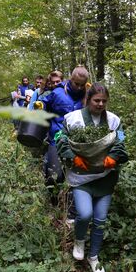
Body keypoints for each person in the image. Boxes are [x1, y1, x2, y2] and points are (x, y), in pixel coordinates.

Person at [56, 83, 128, 272]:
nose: (100, 104)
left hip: (105, 177)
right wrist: (72, 156)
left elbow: (122, 138)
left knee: (100, 220)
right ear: (88, 99)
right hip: (81, 176)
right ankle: (79, 241)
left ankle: (94, 256)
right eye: (97, 100)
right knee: (85, 214)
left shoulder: (114, 120)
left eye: (104, 101)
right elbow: (59, 137)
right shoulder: (74, 119)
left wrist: (114, 155)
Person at [34, 66, 89, 204]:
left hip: (78, 141)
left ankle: (70, 205)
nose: (79, 87)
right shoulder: (58, 92)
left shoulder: (87, 94)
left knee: (75, 176)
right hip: (57, 138)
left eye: (82, 84)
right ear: (71, 79)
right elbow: (44, 104)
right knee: (55, 174)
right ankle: (53, 201)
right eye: (76, 83)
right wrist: (40, 105)